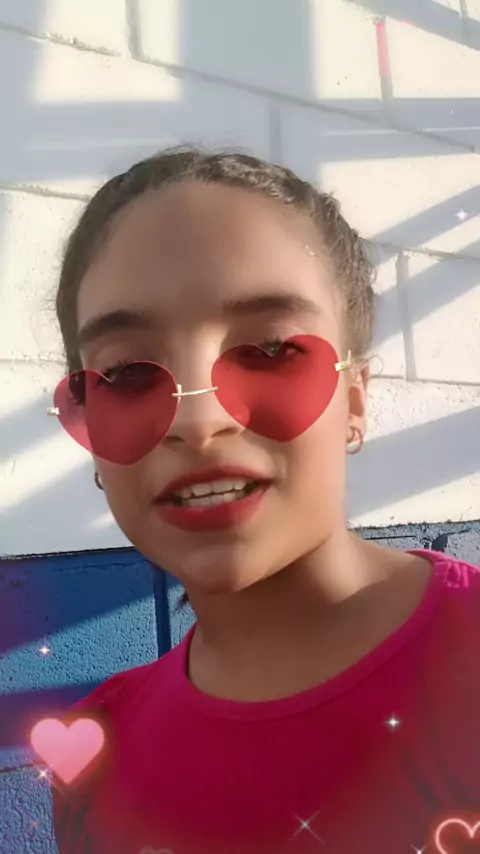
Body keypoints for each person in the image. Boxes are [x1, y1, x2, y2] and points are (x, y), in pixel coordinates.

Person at [48, 146, 480, 854]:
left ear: (355, 399)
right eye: (125, 373)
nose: (197, 419)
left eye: (270, 350)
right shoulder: (93, 755)